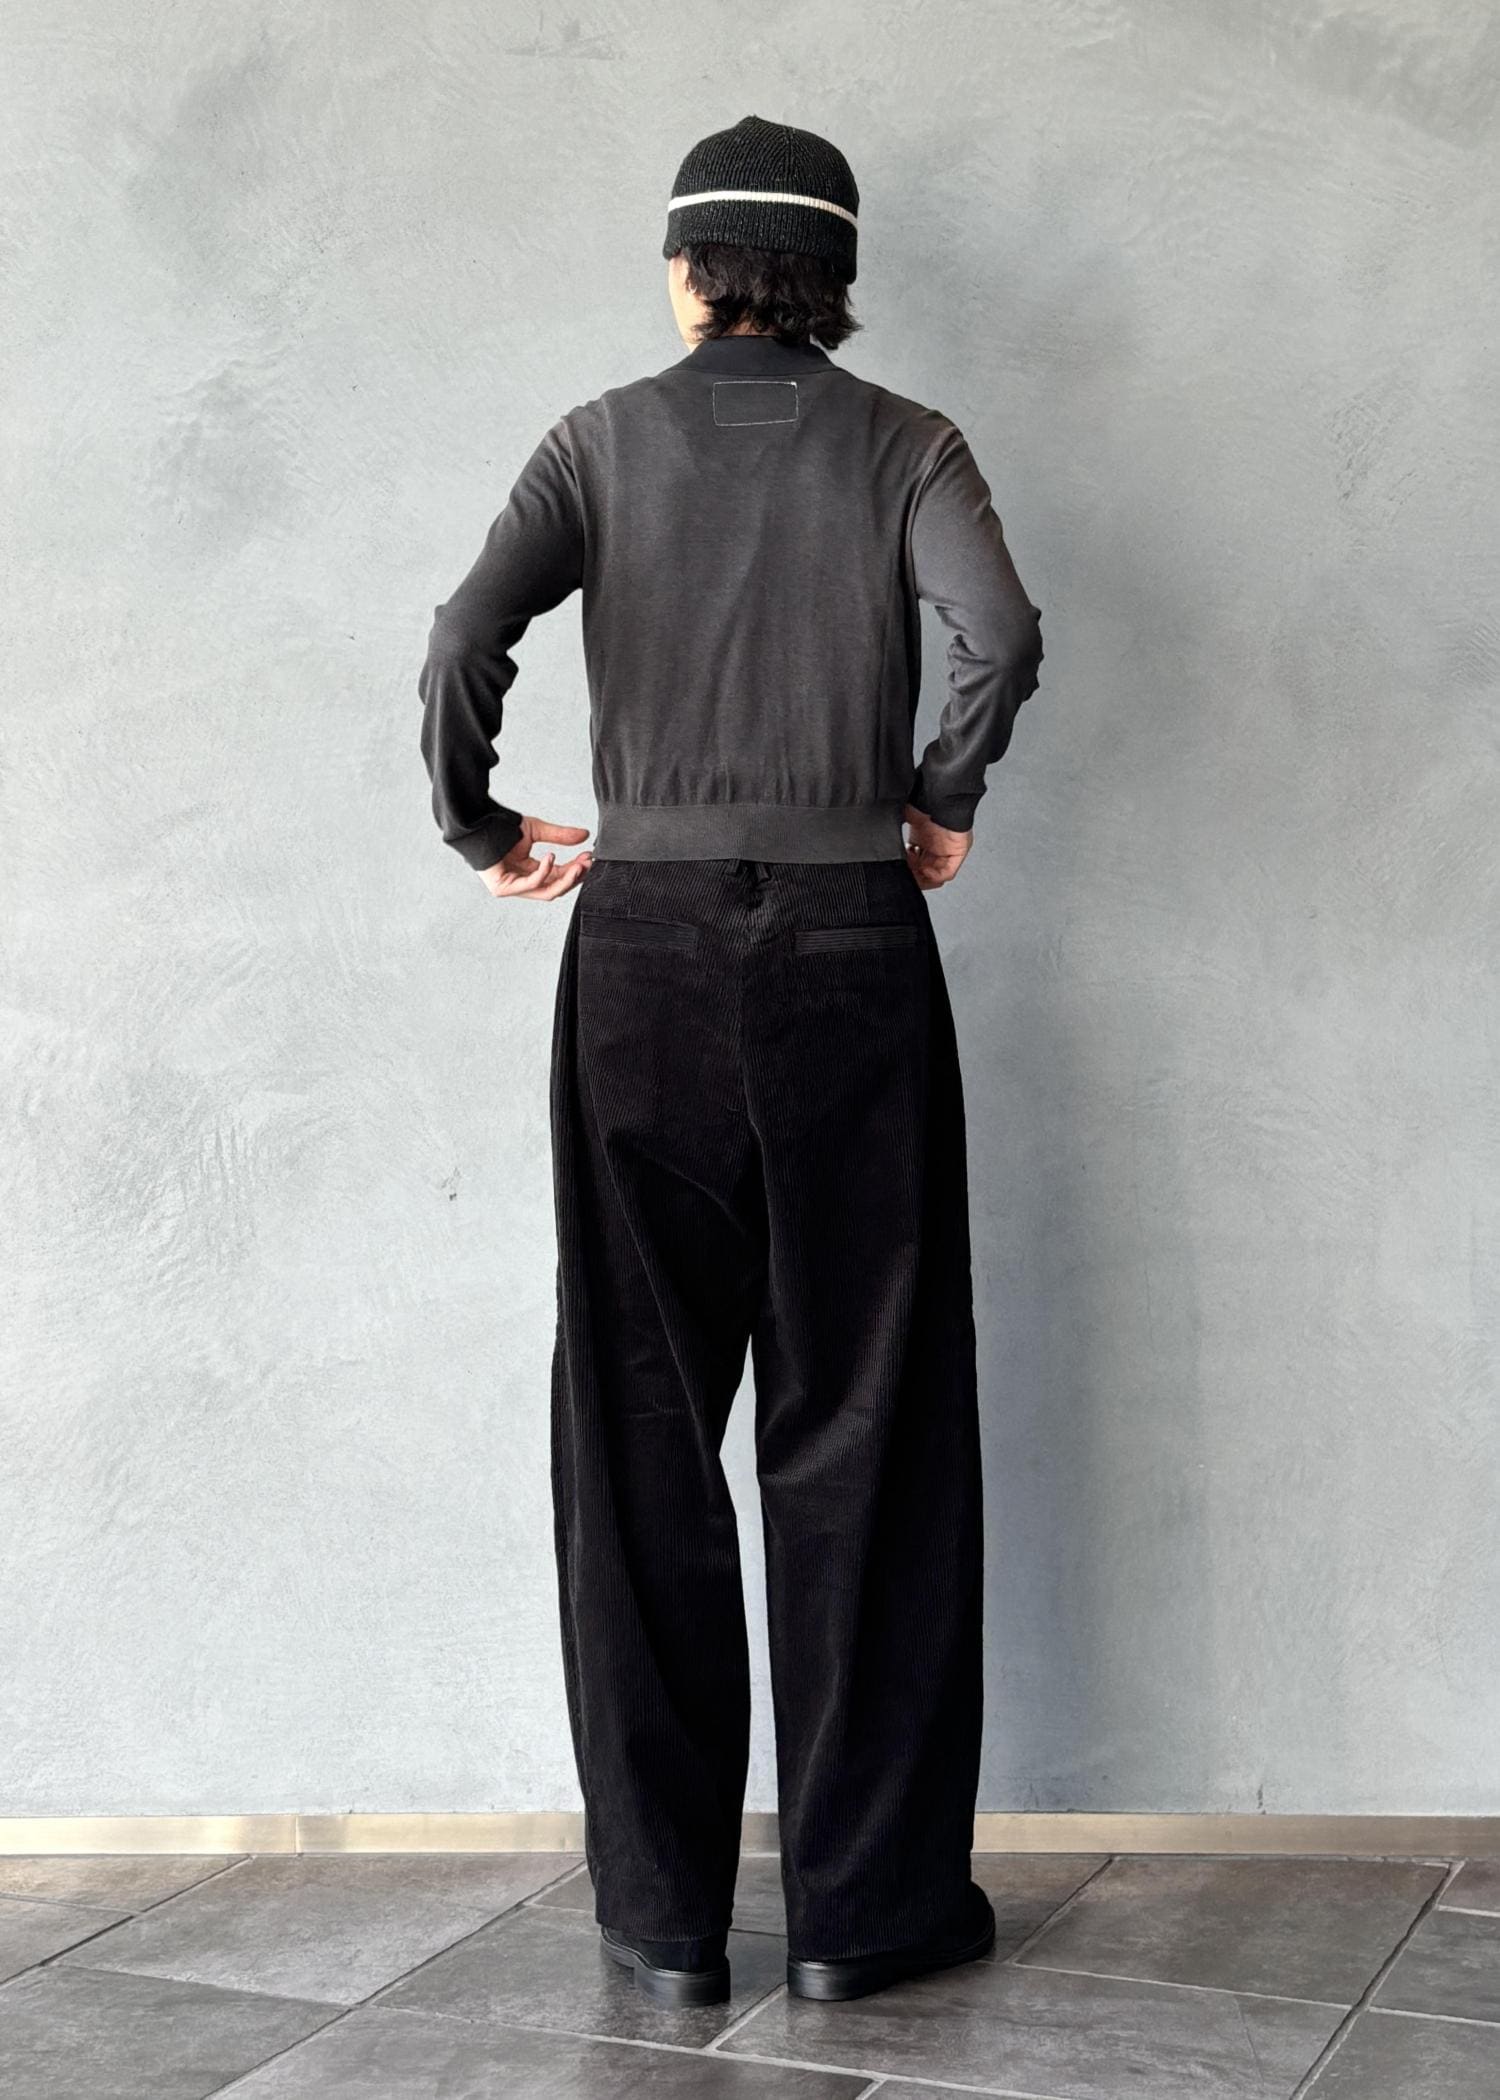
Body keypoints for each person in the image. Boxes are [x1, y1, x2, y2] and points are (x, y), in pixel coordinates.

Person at [417, 113, 1045, 2010]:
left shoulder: (596, 441)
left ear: (691, 270)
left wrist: (479, 823)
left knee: (634, 1427)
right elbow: (998, 633)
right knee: (869, 1418)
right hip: (854, 943)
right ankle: (867, 1918)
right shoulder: (909, 442)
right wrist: (938, 798)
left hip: (642, 956)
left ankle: (663, 1919)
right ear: (832, 279)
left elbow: (464, 636)